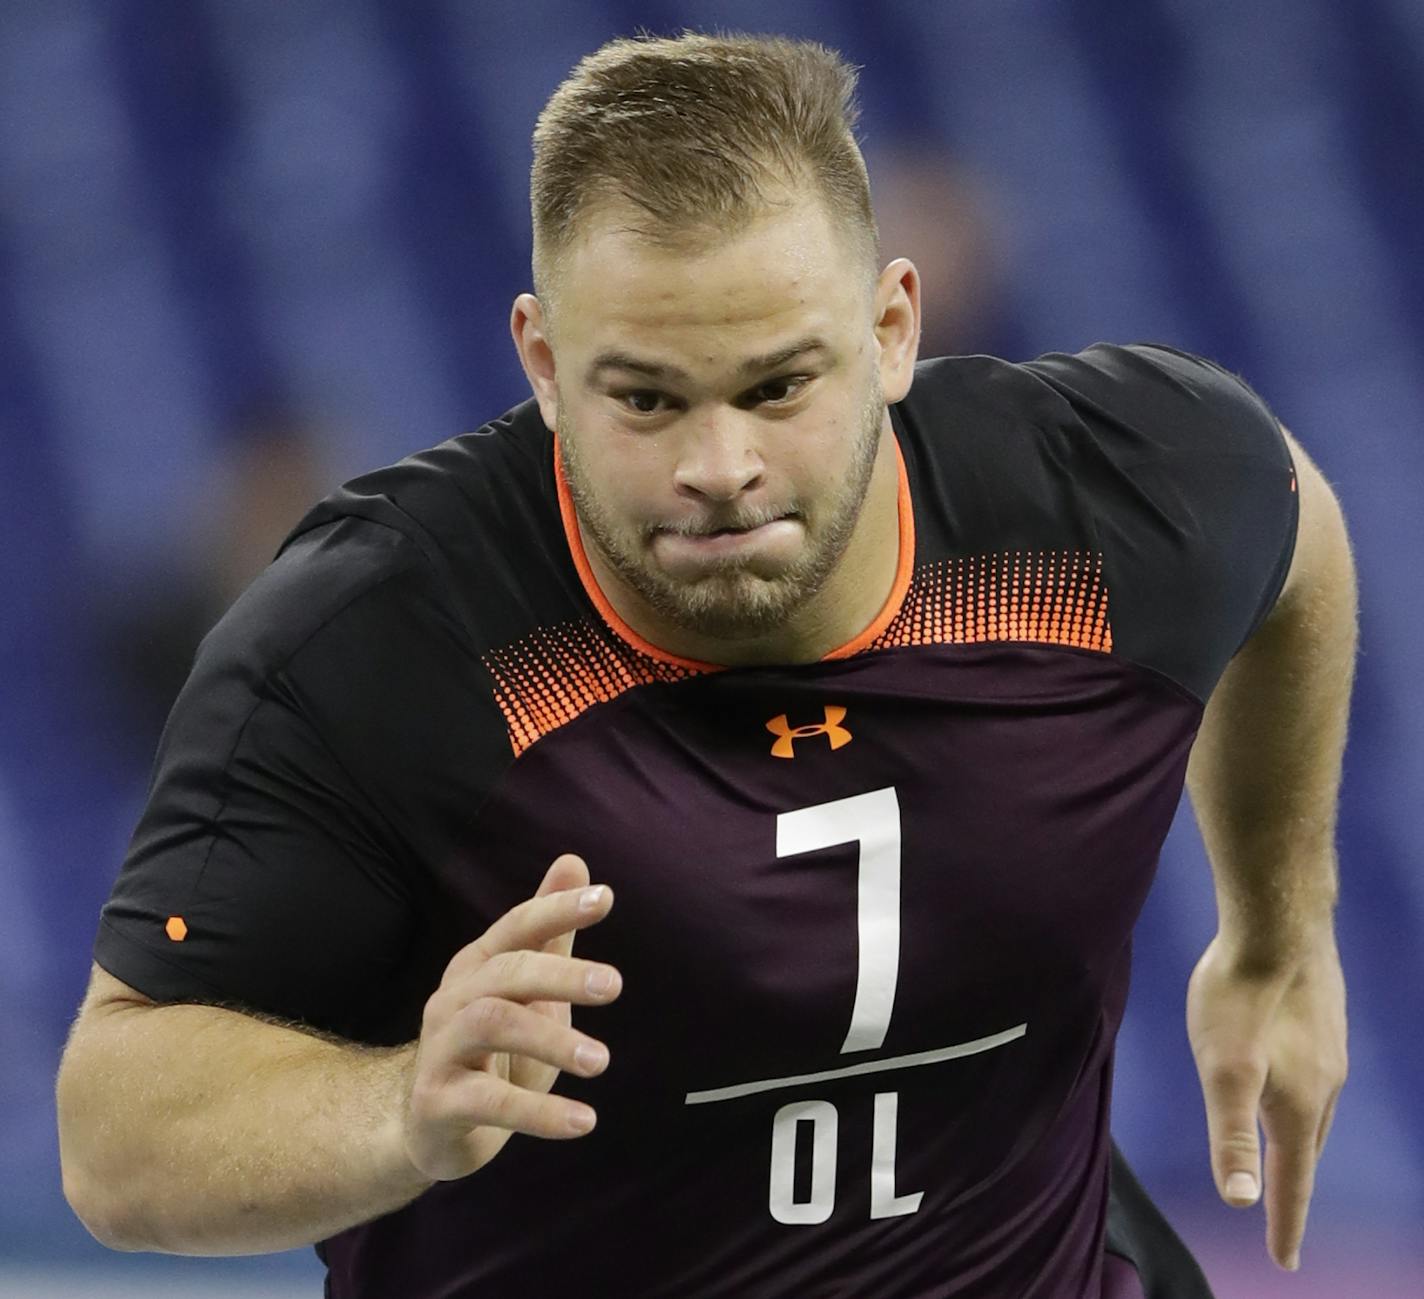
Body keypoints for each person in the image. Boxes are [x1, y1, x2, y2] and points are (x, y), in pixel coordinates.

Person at [57, 32, 1355, 1299]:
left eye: (780, 386)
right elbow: (116, 1140)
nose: (719, 467)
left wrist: (1278, 933)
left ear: (894, 327)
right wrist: (399, 1106)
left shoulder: (1102, 511)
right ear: (546, 364)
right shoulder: (382, 640)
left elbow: (1298, 530)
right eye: (648, 399)